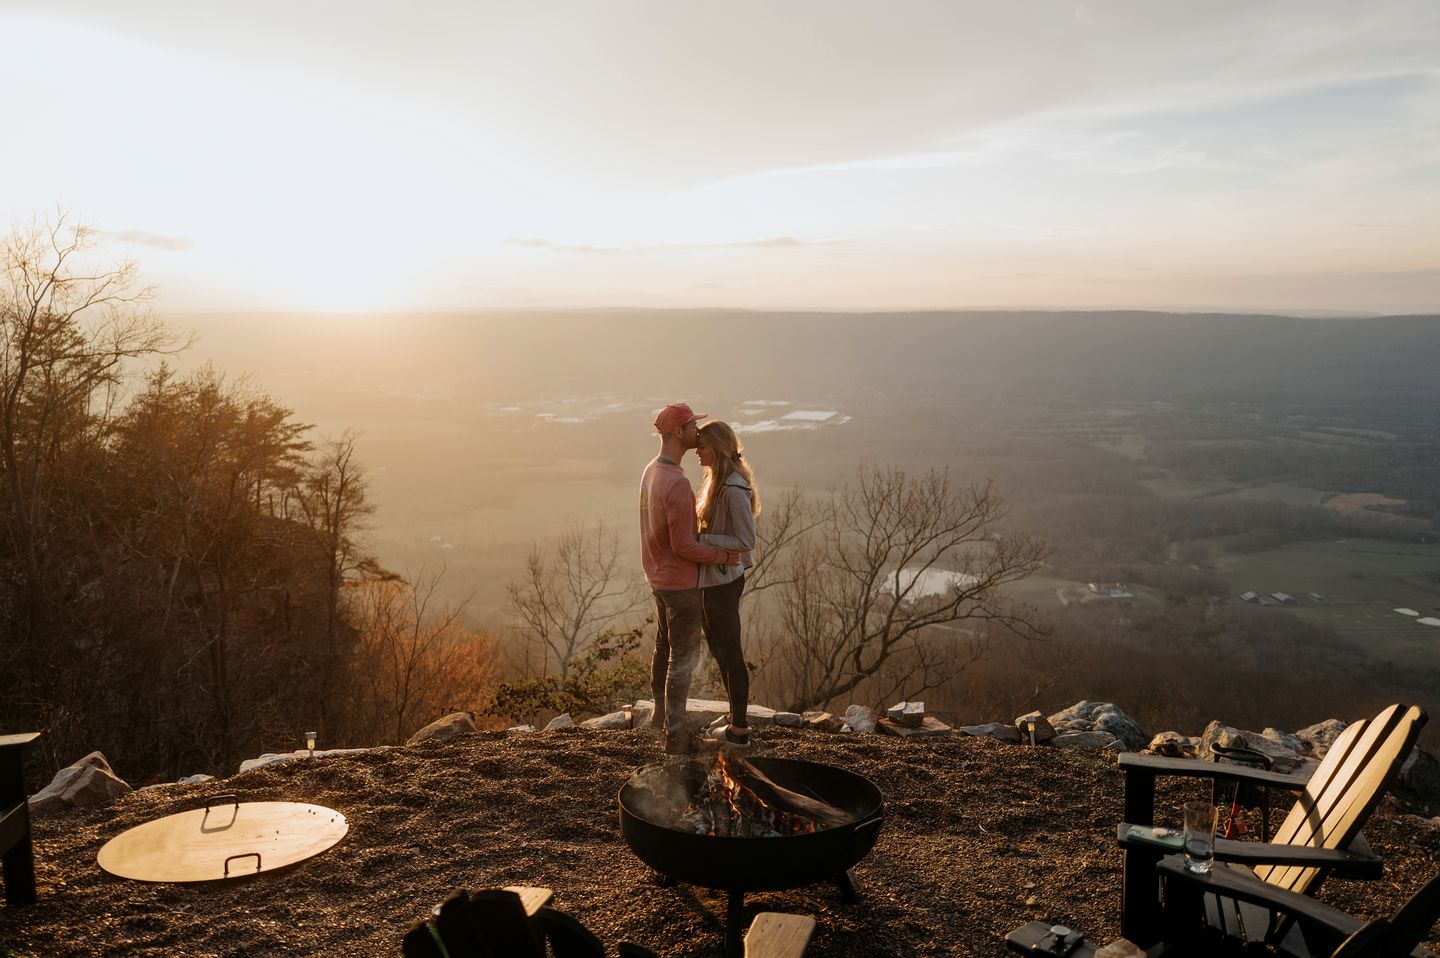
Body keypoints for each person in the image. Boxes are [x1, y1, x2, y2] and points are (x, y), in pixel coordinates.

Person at [640, 402, 739, 755]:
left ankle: (660, 716)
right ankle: (676, 734)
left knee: (664, 646)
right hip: (680, 583)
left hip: (656, 577)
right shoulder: (678, 482)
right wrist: (722, 555)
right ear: (678, 432)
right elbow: (682, 545)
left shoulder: (650, 471)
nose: (697, 433)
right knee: (683, 658)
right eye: (692, 427)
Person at [694, 420, 760, 747]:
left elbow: (746, 539)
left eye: (702, 447)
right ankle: (736, 717)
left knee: (730, 652)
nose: (697, 452)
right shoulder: (717, 481)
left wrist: (702, 539)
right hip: (716, 579)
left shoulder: (733, 488)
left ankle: (740, 731)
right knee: (721, 651)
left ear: (717, 449)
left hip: (725, 581)